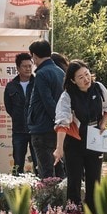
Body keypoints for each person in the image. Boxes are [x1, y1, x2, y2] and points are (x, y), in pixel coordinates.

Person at [53, 60, 107, 212]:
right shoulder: (67, 96)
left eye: (87, 74)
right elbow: (62, 123)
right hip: (75, 141)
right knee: (74, 180)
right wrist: (59, 149)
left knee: (94, 180)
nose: (86, 79)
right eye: (80, 77)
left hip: (95, 138)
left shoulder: (99, 88)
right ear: (73, 80)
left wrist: (103, 123)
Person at [27, 39, 65, 179]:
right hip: (57, 131)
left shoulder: (42, 74)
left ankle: (49, 201)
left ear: (35, 56)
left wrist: (56, 120)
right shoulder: (60, 72)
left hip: (43, 129)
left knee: (46, 173)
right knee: (59, 171)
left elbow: (47, 101)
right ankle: (64, 200)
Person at [3, 52, 35, 173]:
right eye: (24, 66)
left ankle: (41, 188)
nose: (28, 69)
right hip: (18, 130)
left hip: (35, 129)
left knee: (38, 162)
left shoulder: (37, 82)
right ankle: (17, 188)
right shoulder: (11, 86)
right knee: (18, 163)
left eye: (30, 66)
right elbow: (9, 107)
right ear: (17, 68)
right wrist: (18, 117)